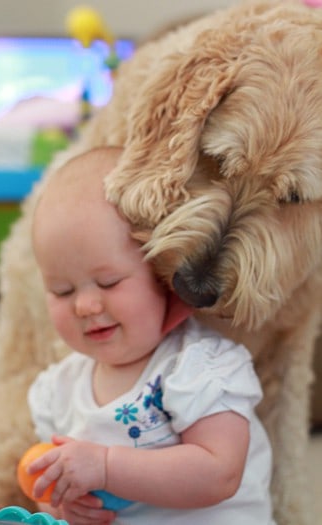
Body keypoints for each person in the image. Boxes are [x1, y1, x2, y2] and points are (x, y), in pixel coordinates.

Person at [27, 146, 275, 525]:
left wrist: (107, 467)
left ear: (164, 276)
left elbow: (220, 472)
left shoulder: (197, 368)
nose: (85, 306)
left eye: (108, 282)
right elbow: (50, 482)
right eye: (62, 290)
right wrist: (61, 504)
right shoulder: (57, 391)